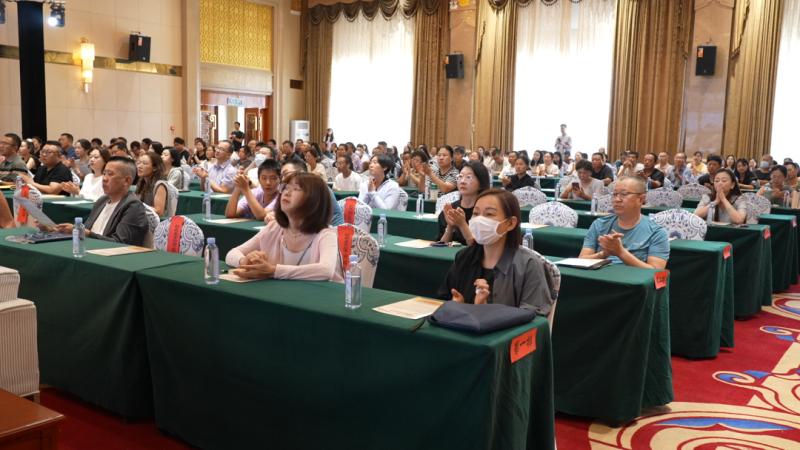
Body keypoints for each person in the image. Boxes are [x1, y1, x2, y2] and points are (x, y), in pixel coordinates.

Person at [436, 189, 553, 315]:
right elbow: (443, 299)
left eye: (489, 214)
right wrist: (456, 307)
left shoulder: (529, 265)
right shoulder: (464, 257)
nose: (479, 220)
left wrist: (485, 312)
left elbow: (533, 318)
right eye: (476, 213)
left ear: (510, 223)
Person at [225, 172, 340, 281]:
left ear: (314, 200)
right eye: (285, 188)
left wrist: (273, 271)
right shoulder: (275, 228)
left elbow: (326, 270)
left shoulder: (325, 234)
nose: (287, 193)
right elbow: (231, 254)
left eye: (296, 189)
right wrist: (246, 261)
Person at [40, 157, 149, 246]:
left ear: (127, 181)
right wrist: (54, 230)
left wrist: (86, 233)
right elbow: (86, 230)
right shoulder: (102, 200)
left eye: (110, 174)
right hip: (90, 248)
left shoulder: (133, 206)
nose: (104, 178)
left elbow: (120, 243)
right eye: (104, 173)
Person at [579, 177, 669, 269]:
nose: (617, 199)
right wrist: (604, 254)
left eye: (624, 194)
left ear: (641, 199)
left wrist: (620, 252)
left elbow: (656, 272)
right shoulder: (599, 224)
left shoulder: (656, 232)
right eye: (615, 194)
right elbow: (581, 260)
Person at [437, 161, 491, 245]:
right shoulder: (451, 209)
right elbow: (441, 246)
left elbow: (480, 249)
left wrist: (462, 225)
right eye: (460, 176)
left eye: (468, 177)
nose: (462, 181)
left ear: (481, 183)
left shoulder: (486, 212)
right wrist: (450, 227)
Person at [135, 152, 172, 217]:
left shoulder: (160, 185)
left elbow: (159, 211)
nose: (139, 166)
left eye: (144, 163)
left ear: (155, 168)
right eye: (139, 163)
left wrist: (136, 208)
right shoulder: (142, 182)